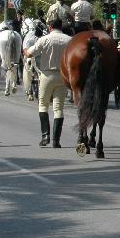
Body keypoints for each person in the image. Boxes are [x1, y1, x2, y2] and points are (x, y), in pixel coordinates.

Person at [23, 18, 72, 147]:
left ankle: (45, 137)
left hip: (46, 75)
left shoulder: (44, 39)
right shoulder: (68, 40)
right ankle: (56, 141)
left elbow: (29, 54)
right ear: (61, 27)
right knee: (58, 108)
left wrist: (25, 50)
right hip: (62, 75)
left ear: (50, 27)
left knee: (43, 105)